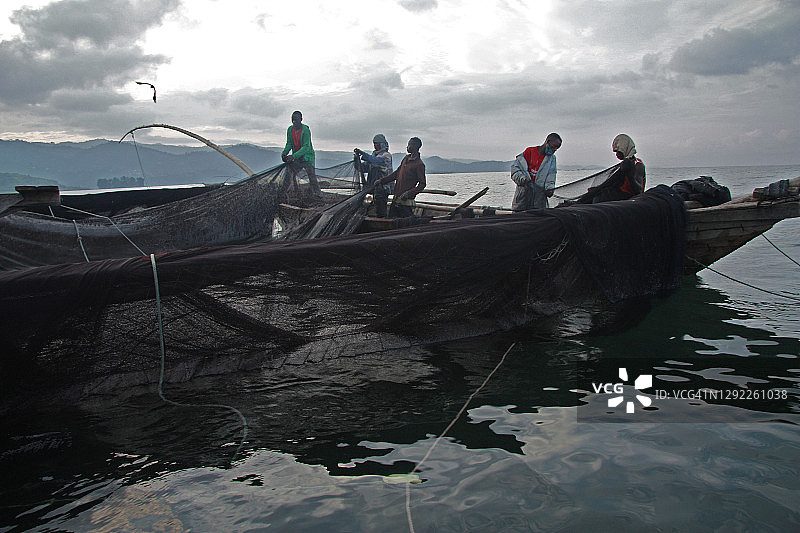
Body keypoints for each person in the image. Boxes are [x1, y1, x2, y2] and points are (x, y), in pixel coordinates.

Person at [582, 133, 646, 204]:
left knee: (601, 197)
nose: (616, 155)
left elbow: (638, 190)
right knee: (597, 193)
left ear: (624, 149)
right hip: (620, 195)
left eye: (618, 152)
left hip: (629, 199)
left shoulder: (638, 165)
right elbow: (611, 182)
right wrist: (596, 189)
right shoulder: (624, 164)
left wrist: (629, 174)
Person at [375, 137, 426, 218]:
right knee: (391, 221)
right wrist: (381, 181)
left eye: (409, 144)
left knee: (404, 224)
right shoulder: (406, 159)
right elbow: (396, 174)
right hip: (396, 200)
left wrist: (409, 193)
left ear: (416, 146)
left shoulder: (419, 164)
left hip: (406, 203)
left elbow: (422, 184)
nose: (407, 146)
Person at [511, 133, 561, 211]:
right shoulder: (529, 152)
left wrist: (550, 188)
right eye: (553, 147)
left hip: (539, 201)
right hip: (522, 198)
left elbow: (551, 175)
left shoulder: (552, 159)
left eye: (556, 148)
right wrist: (523, 179)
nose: (554, 150)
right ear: (547, 141)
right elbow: (515, 170)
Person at [281, 110, 323, 200]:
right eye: (293, 120)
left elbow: (306, 147)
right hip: (297, 158)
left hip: (307, 158)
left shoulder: (305, 130)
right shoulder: (290, 130)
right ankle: (282, 193)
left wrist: (293, 156)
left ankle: (318, 196)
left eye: (296, 120)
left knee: (312, 178)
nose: (294, 122)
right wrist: (285, 152)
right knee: (289, 173)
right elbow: (289, 143)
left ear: (301, 120)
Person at [355, 134, 393, 217]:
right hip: (374, 188)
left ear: (383, 144)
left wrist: (363, 154)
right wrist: (356, 161)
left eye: (378, 144)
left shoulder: (386, 155)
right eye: (374, 144)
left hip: (383, 188)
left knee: (381, 210)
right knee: (375, 208)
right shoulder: (373, 155)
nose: (376, 146)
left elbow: (376, 161)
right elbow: (363, 168)